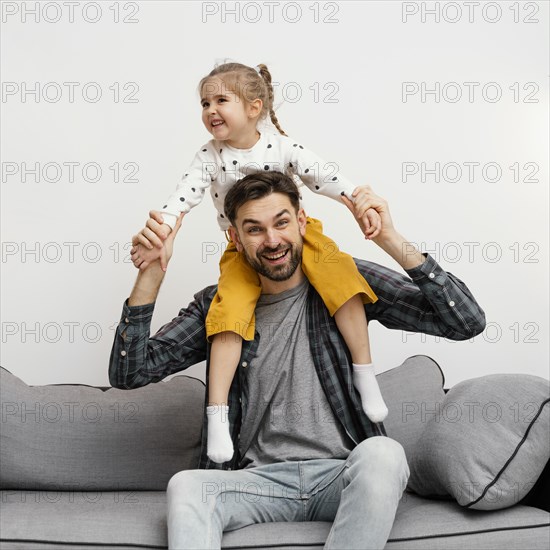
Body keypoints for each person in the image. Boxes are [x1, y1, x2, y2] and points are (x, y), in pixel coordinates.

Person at [109, 172, 486, 549]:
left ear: (302, 222)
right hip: (258, 482)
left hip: (341, 477)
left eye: (282, 223)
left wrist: (389, 238)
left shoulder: (343, 280)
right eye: (254, 229)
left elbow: (465, 321)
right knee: (187, 486)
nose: (272, 241)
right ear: (235, 239)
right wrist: (151, 275)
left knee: (385, 455)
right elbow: (131, 373)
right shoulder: (218, 305)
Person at [131, 61, 388, 464]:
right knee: (228, 316)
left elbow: (323, 176)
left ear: (254, 108)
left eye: (221, 100)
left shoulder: (282, 146)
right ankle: (218, 414)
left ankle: (364, 372)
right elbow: (183, 197)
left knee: (345, 282)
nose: (210, 110)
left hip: (307, 238)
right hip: (239, 254)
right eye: (204, 103)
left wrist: (359, 200)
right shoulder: (207, 157)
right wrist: (161, 230)